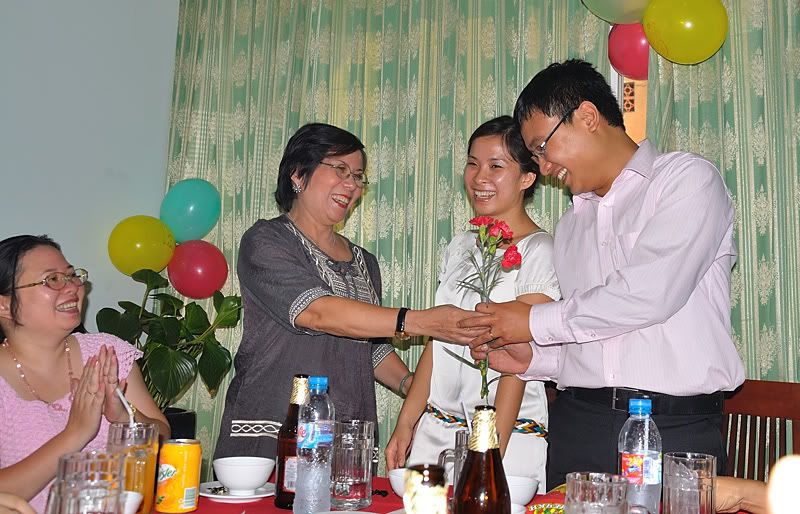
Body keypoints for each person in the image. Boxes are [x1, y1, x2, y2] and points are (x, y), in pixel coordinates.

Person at [462, 59, 745, 488]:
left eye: (542, 147)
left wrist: (532, 320)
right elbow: (597, 335)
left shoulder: (685, 180)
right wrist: (536, 359)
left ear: (588, 117)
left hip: (673, 429)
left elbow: (647, 294)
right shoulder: (571, 225)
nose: (543, 166)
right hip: (579, 425)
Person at [214, 123, 483, 460]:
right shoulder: (266, 240)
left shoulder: (364, 261)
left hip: (346, 435)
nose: (352, 185)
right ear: (297, 174)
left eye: (357, 176)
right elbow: (318, 312)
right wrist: (422, 321)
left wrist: (412, 387)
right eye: (340, 170)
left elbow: (368, 348)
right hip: (274, 431)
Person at [384, 116, 557, 492]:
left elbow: (517, 365)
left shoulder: (540, 251)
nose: (479, 177)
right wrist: (407, 422)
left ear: (527, 177)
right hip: (436, 433)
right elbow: (438, 340)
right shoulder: (460, 246)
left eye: (496, 166)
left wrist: (489, 455)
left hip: (505, 438)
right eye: (472, 163)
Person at [0, 235, 169, 512]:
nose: (73, 287)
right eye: (52, 279)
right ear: (4, 305)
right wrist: (75, 433)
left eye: (72, 275)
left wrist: (125, 417)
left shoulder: (107, 352)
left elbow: (164, 439)